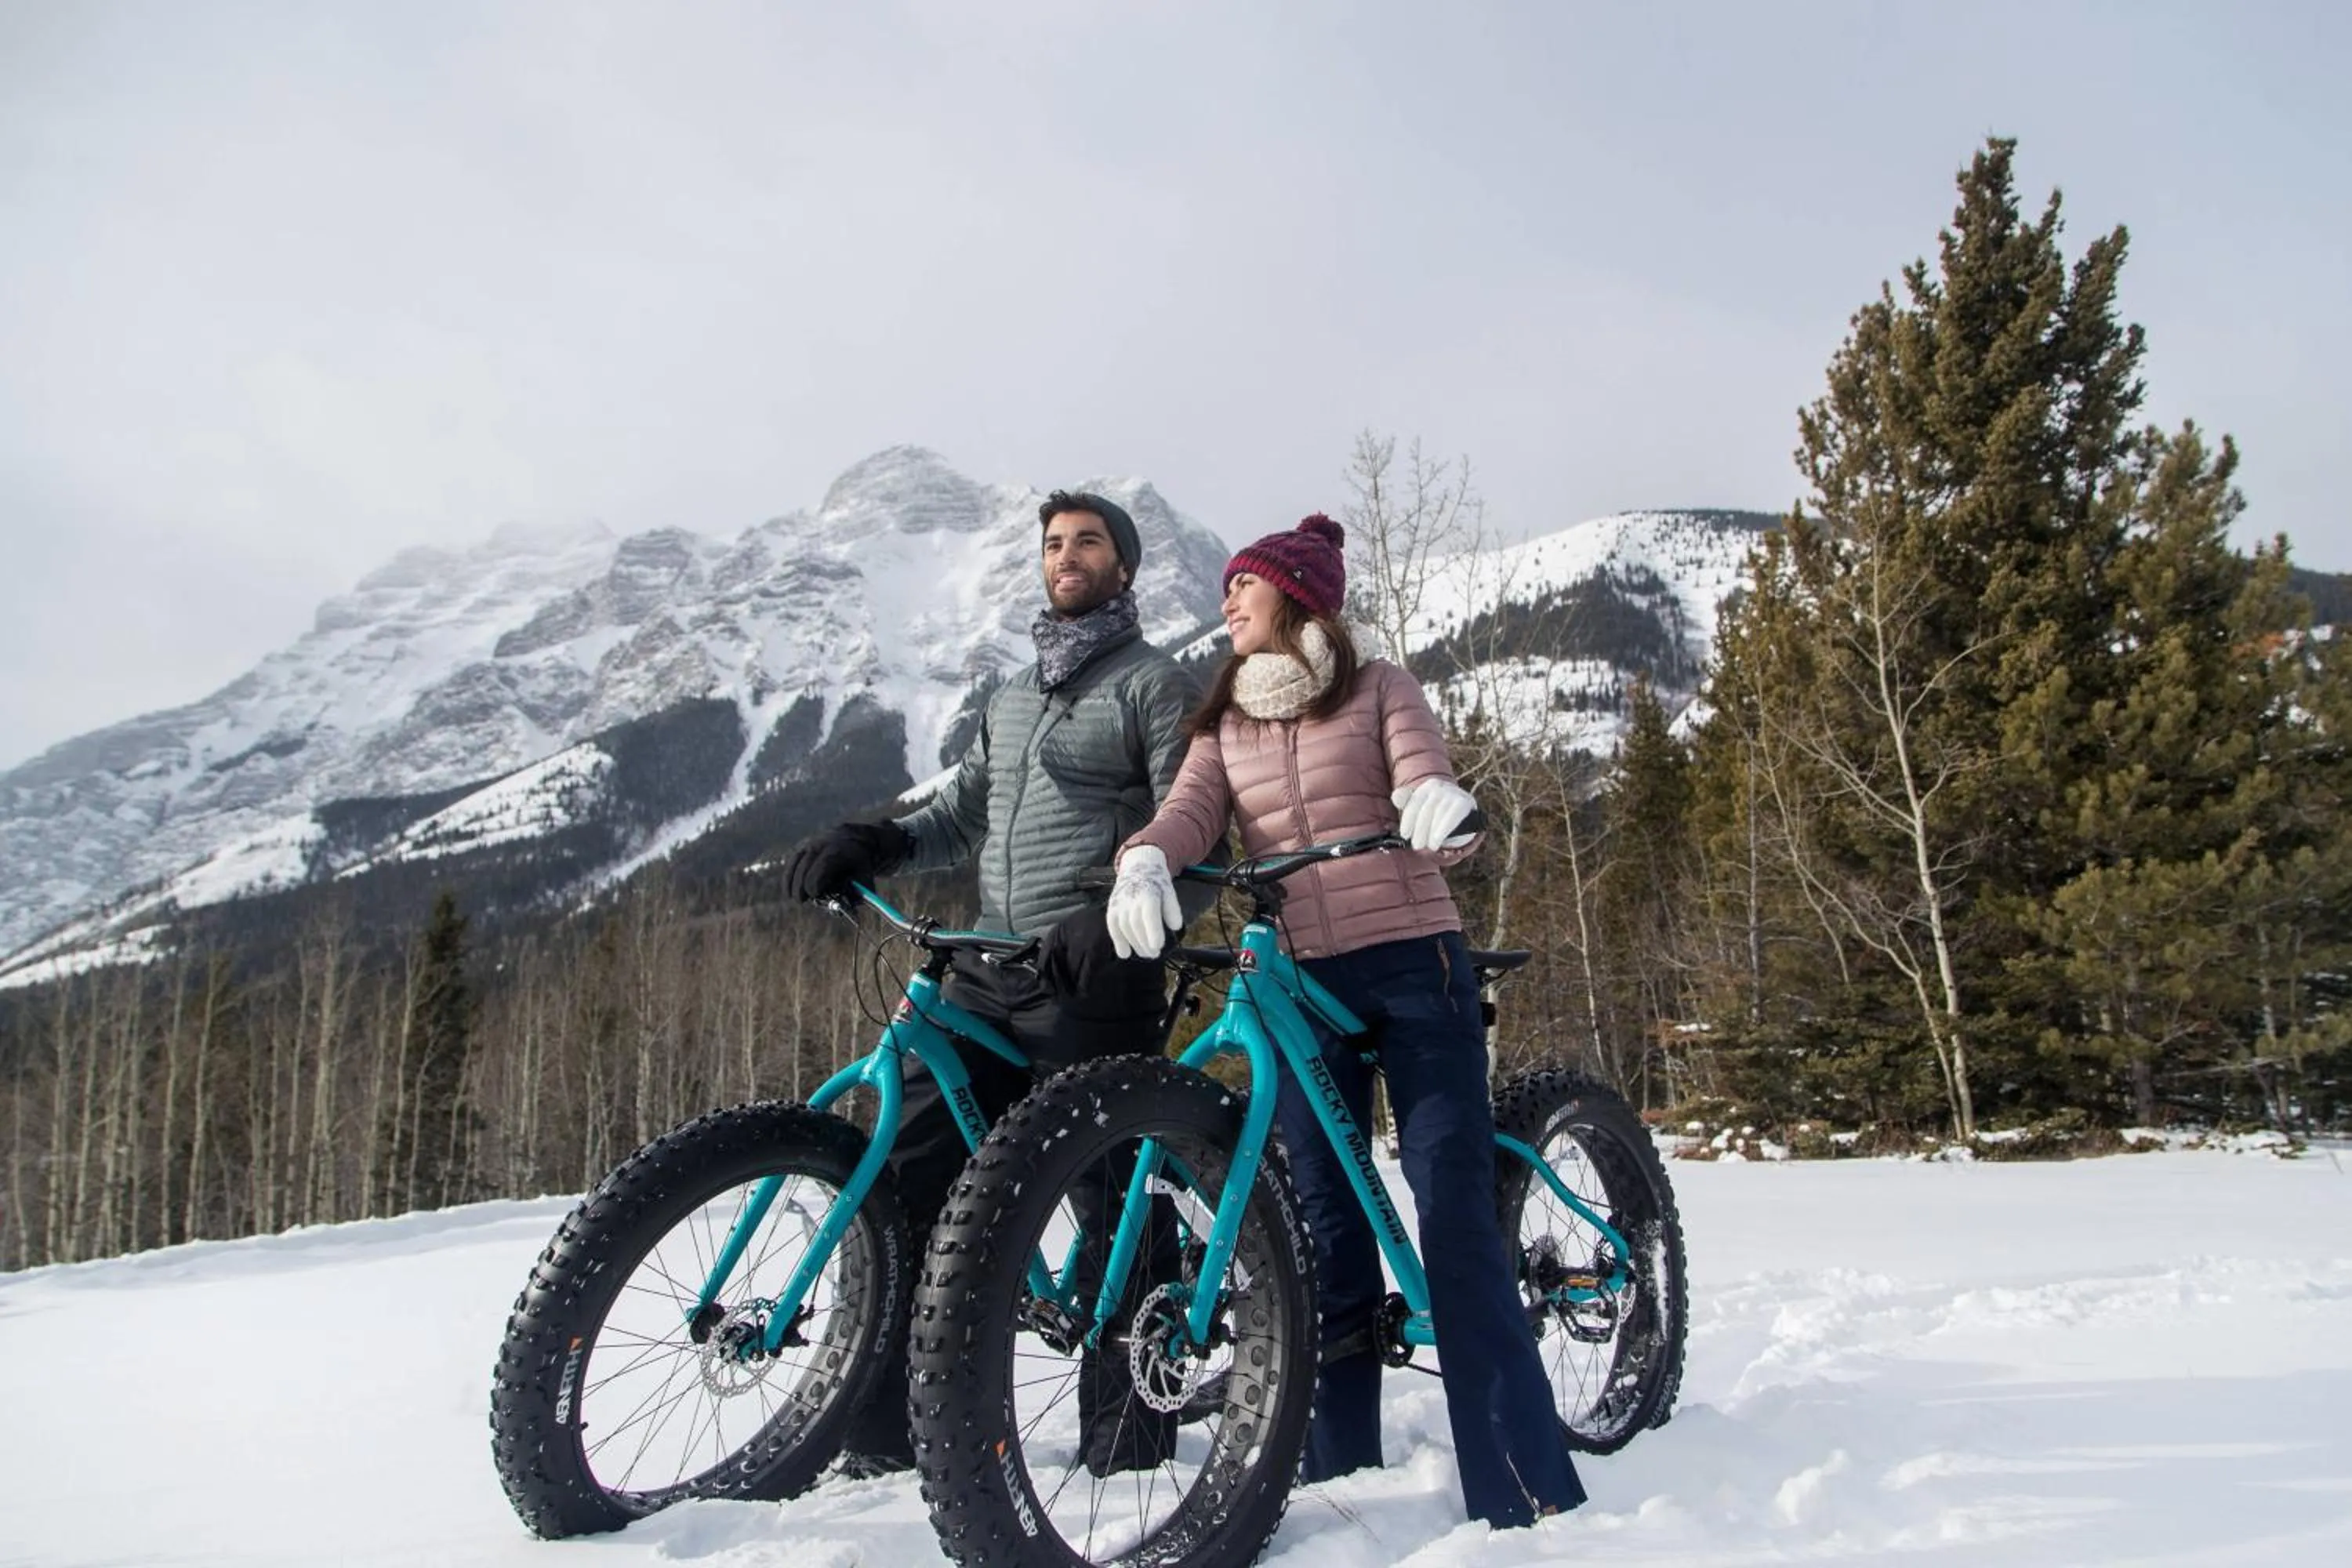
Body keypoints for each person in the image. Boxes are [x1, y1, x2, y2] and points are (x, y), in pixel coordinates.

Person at [1102, 513, 1587, 1530]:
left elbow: (1422, 774)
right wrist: (1146, 858)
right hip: (1302, 983)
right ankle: (1340, 1464)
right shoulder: (1225, 721)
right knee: (1323, 1217)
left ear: (1296, 596)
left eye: (1244, 584)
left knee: (1449, 1203)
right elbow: (1191, 814)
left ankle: (1524, 1478)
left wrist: (1439, 805)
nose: (1227, 599)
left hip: (1414, 966)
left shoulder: (1379, 688)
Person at [780, 488, 1195, 1477]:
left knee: (1113, 1192)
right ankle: (887, 1427)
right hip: (984, 972)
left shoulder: (1154, 684)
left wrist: (1115, 920)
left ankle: (1133, 1435)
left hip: (1092, 971)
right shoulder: (1013, 693)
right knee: (907, 1175)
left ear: (1124, 566)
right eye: (1053, 543)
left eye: (1087, 540)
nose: (1066, 554)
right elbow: (961, 811)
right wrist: (877, 840)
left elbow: (1197, 823)